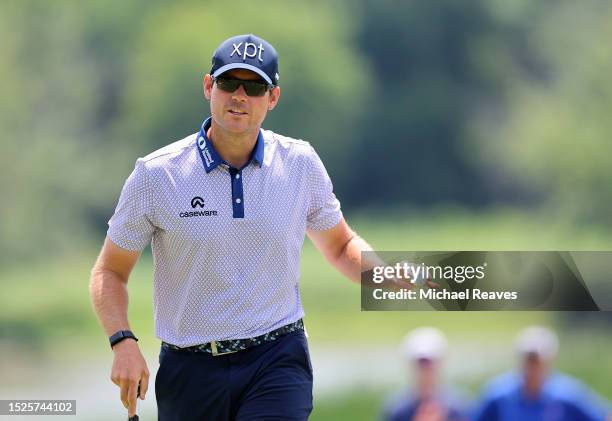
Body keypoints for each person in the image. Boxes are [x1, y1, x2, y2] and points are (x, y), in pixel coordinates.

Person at [89, 33, 403, 421]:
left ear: (272, 98)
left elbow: (340, 247)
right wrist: (123, 343)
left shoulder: (300, 164)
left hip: (276, 357)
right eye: (227, 83)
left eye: (254, 87)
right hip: (190, 369)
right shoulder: (156, 175)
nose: (239, 96)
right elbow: (110, 272)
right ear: (208, 86)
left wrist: (390, 273)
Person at [473, 326, 612, 421]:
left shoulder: (568, 394)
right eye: (528, 360)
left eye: (537, 361)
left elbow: (603, 416)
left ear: (549, 361)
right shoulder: (498, 395)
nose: (532, 367)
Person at [382, 327, 467, 421]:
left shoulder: (459, 407)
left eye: (429, 364)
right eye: (421, 364)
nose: (425, 370)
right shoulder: (397, 409)